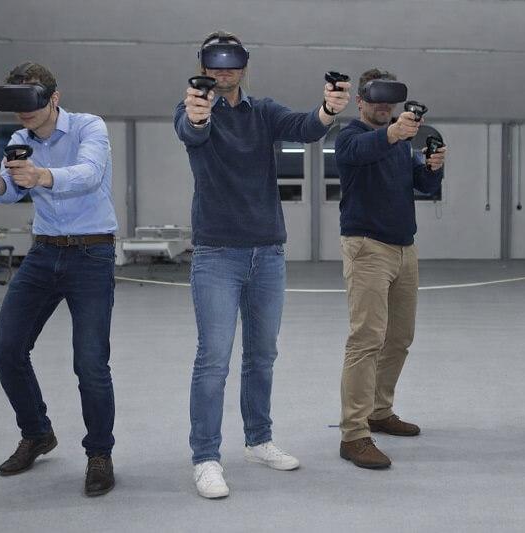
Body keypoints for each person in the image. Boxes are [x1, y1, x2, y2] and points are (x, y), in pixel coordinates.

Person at [174, 31, 350, 498]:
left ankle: (258, 441)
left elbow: (305, 127)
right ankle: (206, 457)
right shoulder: (193, 108)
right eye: (215, 62)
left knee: (262, 355)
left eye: (232, 61)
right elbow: (192, 130)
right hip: (216, 253)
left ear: (244, 66)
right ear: (203, 67)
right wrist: (197, 113)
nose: (224, 70)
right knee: (213, 360)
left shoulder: (263, 111)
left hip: (268, 252)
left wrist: (329, 108)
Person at [0, 61, 118, 495]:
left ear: (54, 97)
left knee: (90, 363)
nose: (23, 111)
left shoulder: (89, 127)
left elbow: (89, 174)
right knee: (7, 349)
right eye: (14, 102)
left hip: (92, 253)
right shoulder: (19, 140)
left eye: (29, 100)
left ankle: (99, 453)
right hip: (44, 251)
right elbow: (14, 190)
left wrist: (42, 175)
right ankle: (37, 433)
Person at [334, 68, 446, 469]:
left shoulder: (399, 142)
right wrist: (394, 134)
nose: (384, 106)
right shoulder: (349, 136)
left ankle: (379, 412)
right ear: (360, 101)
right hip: (367, 247)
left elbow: (424, 187)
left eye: (389, 100)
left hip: (404, 249)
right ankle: (353, 434)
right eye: (375, 99)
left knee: (399, 338)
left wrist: (432, 167)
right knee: (365, 341)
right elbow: (358, 153)